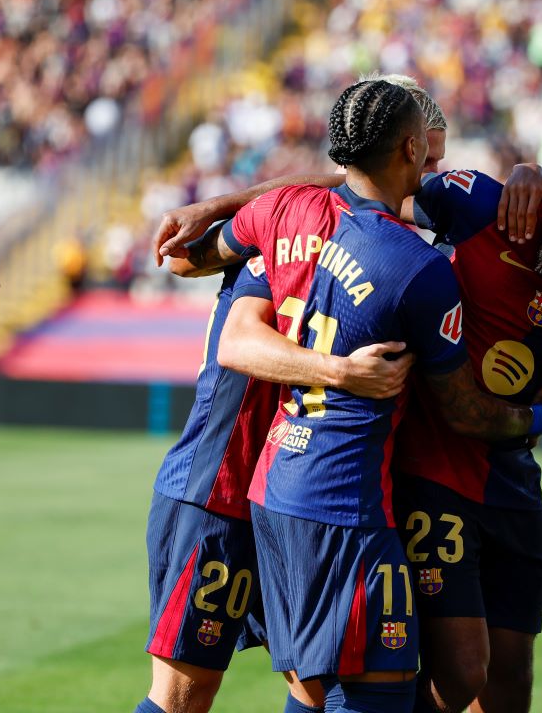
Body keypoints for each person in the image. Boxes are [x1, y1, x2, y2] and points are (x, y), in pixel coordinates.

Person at [171, 79, 542, 713]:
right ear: (408, 148)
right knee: (374, 694)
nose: (438, 173)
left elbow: (190, 267)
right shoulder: (416, 266)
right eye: (429, 158)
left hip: (275, 481)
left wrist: (217, 205)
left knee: (317, 687)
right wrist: (537, 412)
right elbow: (463, 407)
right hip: (345, 499)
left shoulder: (288, 212)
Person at [137, 251, 414, 713]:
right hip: (218, 492)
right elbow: (199, 283)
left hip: (290, 499)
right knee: (184, 694)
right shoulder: (270, 254)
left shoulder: (347, 250)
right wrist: (345, 372)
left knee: (319, 684)